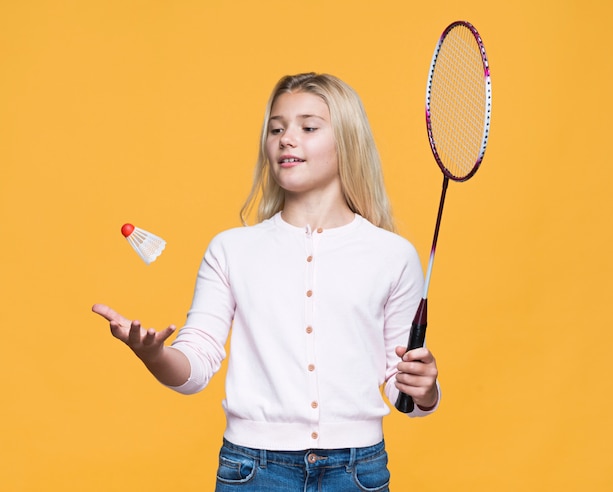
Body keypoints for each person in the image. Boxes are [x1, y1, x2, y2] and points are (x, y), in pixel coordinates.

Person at [93, 72, 439, 491]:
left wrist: (425, 391)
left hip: (358, 472)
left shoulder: (392, 254)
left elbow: (405, 394)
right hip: (253, 471)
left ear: (347, 141)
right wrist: (153, 355)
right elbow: (196, 365)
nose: (286, 139)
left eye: (308, 127)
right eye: (276, 128)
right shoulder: (231, 249)